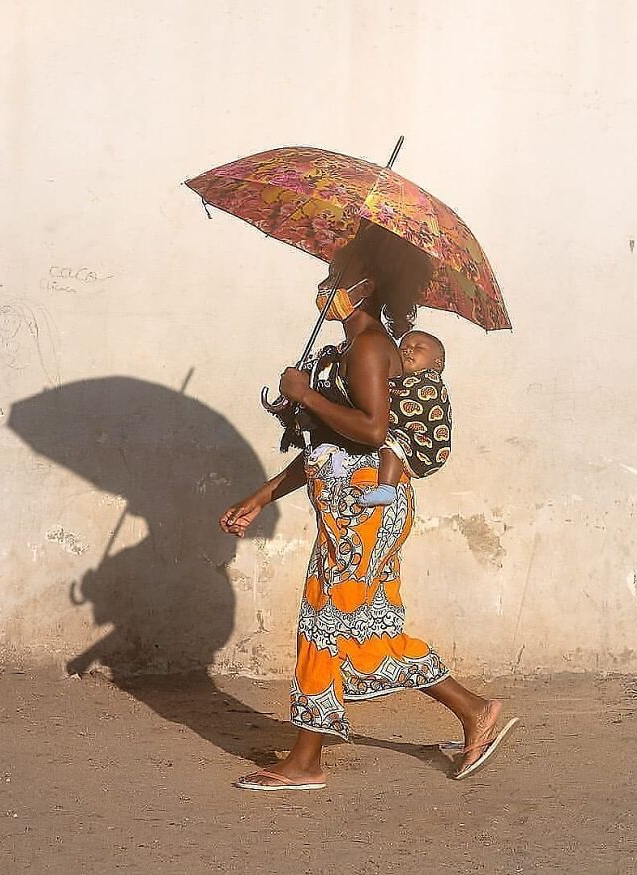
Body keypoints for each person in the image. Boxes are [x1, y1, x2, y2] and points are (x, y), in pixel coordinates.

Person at [219, 223, 518, 790]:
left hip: (365, 511)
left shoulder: (370, 348)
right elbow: (329, 447)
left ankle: (306, 761)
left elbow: (374, 430)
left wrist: (307, 396)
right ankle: (472, 709)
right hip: (350, 511)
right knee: (361, 630)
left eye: (339, 274)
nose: (328, 284)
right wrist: (261, 495)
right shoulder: (348, 350)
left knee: (325, 624)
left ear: (370, 284)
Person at [357, 329, 451, 507]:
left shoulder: (429, 381)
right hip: (416, 438)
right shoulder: (404, 380)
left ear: (437, 363)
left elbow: (393, 399)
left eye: (418, 348)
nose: (408, 350)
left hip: (426, 446)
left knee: (389, 442)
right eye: (403, 348)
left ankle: (387, 488)